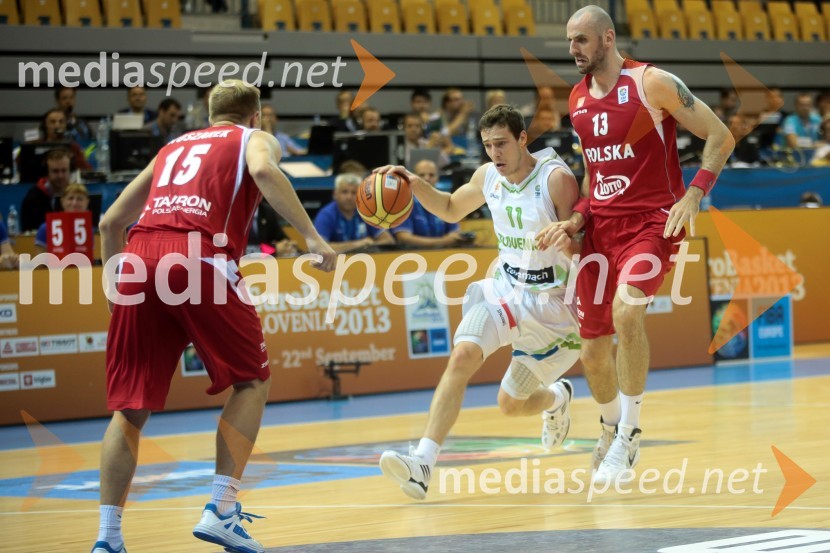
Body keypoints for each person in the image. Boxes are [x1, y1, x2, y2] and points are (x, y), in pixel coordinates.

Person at [91, 79, 337, 553]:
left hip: (138, 259)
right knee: (252, 381)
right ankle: (222, 509)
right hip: (198, 258)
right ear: (256, 116)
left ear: (208, 117)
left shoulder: (171, 147)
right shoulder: (252, 138)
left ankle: (107, 538)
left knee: (129, 411)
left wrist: (111, 288)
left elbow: (110, 222)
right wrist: (311, 235)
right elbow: (265, 172)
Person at [539, 5, 734, 485]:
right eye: (569, 42)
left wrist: (694, 193)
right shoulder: (577, 100)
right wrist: (577, 219)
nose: (573, 50)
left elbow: (721, 136)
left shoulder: (652, 82)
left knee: (628, 315)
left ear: (607, 38)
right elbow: (593, 173)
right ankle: (608, 429)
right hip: (601, 228)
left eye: (581, 40)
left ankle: (629, 433)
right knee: (592, 350)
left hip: (652, 223)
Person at [378, 104, 582, 500]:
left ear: (523, 139)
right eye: (488, 145)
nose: (496, 154)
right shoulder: (488, 176)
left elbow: (588, 245)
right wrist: (414, 182)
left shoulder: (555, 180)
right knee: (462, 355)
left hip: (554, 309)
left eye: (502, 144)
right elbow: (452, 207)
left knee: (510, 404)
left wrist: (568, 242)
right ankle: (423, 462)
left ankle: (558, 397)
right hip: (505, 290)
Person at [392, 159, 471, 248]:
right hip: (413, 256)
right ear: (413, 177)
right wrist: (444, 241)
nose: (427, 178)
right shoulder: (404, 203)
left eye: (431, 175)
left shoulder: (443, 200)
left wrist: (451, 239)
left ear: (437, 178)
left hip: (443, 256)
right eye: (422, 175)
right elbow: (404, 237)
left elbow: (454, 233)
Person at [313, 172, 394, 253]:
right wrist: (359, 244)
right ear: (335, 194)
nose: (349, 197)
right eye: (344, 192)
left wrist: (370, 247)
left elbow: (388, 240)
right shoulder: (326, 215)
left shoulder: (368, 212)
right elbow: (319, 247)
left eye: (354, 193)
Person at [20, 148, 72, 232]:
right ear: (47, 173)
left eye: (64, 170)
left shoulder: (77, 196)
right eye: (55, 171)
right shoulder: (32, 199)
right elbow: (28, 233)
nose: (60, 176)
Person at [34, 183, 90, 253]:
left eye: (79, 199)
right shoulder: (46, 228)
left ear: (87, 202)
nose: (74, 203)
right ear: (62, 201)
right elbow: (40, 262)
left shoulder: (92, 230)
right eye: (70, 198)